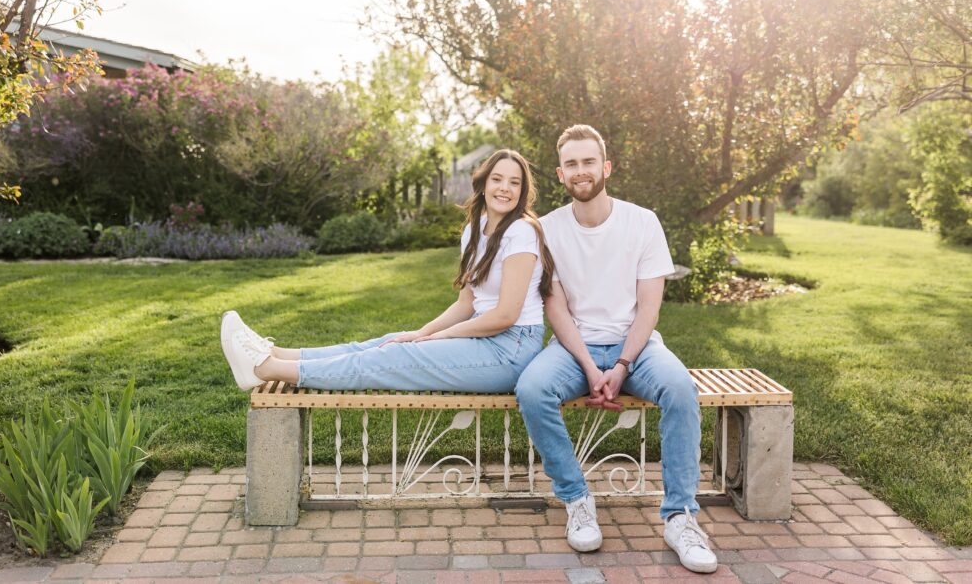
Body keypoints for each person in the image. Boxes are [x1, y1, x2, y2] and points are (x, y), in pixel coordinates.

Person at [514, 125, 717, 574]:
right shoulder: (546, 229)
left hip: (637, 346)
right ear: (559, 173)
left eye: (589, 162)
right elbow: (557, 309)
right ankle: (576, 499)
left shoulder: (642, 222)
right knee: (531, 389)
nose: (580, 171)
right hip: (573, 348)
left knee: (681, 389)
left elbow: (649, 308)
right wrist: (590, 366)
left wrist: (622, 365)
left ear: (606, 167)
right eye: (571, 164)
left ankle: (680, 517)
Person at [220, 149, 552, 396]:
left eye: (514, 182)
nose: (504, 188)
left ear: (523, 190)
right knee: (390, 341)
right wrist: (422, 332)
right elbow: (466, 304)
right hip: (485, 340)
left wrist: (439, 337)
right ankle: (277, 354)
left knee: (392, 356)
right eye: (497, 179)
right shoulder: (475, 230)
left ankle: (267, 369)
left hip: (511, 351)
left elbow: (506, 315)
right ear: (484, 184)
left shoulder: (521, 232)